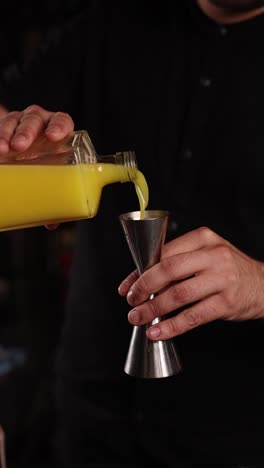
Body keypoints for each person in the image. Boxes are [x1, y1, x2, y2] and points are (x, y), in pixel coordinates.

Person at [0, 1, 264, 467]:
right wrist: (14, 136)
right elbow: (9, 108)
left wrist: (259, 285)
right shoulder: (111, 23)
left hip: (235, 432)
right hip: (90, 414)